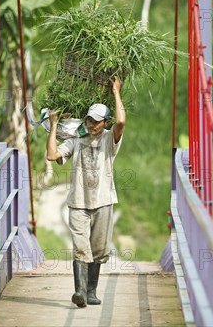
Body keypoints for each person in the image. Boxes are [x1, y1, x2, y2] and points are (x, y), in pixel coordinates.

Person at [46, 77, 125, 308]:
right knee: (81, 248)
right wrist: (53, 126)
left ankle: (91, 291)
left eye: (97, 122)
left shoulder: (111, 139)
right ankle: (79, 292)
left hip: (103, 201)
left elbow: (121, 121)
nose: (92, 125)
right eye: (89, 120)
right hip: (78, 203)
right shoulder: (76, 140)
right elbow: (52, 155)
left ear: (105, 123)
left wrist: (116, 91)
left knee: (99, 250)